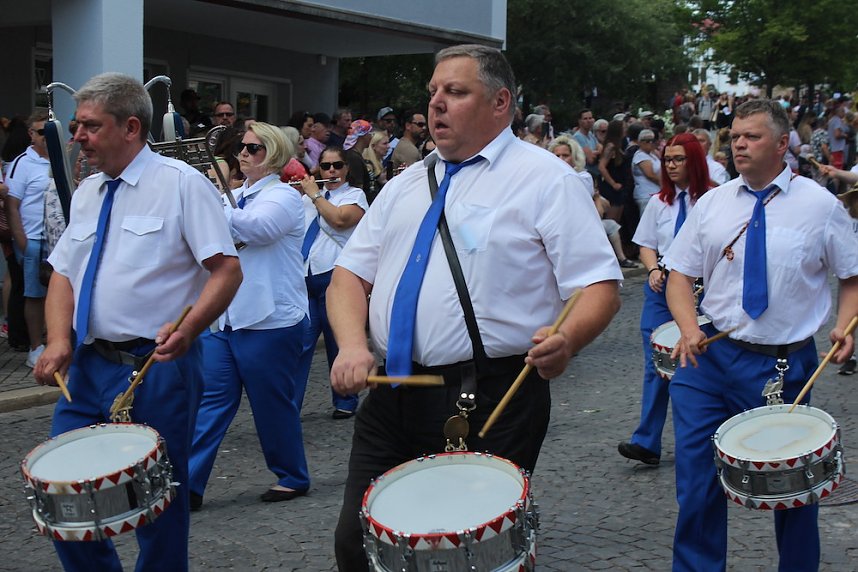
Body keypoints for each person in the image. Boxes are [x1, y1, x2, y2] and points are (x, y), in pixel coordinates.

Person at [328, 43, 622, 572]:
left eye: (455, 92)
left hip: (490, 394)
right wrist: (351, 345)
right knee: (358, 542)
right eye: (433, 92)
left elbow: (598, 286)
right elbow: (349, 275)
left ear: (500, 102)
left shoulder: (545, 179)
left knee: (469, 554)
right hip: (392, 392)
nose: (436, 104)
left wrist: (567, 339)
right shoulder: (405, 184)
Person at [32, 72, 242, 572]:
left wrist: (189, 328)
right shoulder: (88, 191)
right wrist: (58, 340)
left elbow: (227, 270)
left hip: (157, 367)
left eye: (90, 126)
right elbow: (63, 274)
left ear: (130, 127)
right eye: (76, 126)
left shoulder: (181, 184)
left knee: (158, 504)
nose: (77, 137)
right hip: (88, 366)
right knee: (65, 493)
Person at [662, 99, 858, 572]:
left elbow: (851, 276)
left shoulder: (820, 206)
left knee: (795, 488)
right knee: (696, 485)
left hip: (782, 365)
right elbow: (679, 276)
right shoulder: (712, 203)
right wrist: (688, 327)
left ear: (783, 143)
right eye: (734, 136)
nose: (739, 145)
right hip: (707, 362)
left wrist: (844, 325)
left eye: (751, 136)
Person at [188, 122, 310, 510]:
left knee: (272, 405)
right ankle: (188, 483)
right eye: (242, 146)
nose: (243, 152)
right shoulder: (235, 195)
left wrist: (210, 202)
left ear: (273, 155)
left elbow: (258, 229)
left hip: (271, 318)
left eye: (254, 148)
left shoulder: (284, 197)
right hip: (227, 317)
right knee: (210, 403)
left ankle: (292, 476)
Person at [617, 133, 711, 465]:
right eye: (667, 159)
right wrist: (653, 268)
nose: (670, 165)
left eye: (678, 159)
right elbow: (645, 243)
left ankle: (705, 440)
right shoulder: (659, 202)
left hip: (703, 291)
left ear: (694, 162)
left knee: (701, 363)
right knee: (657, 362)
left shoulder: (714, 200)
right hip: (662, 289)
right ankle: (646, 441)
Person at [295, 146, 368, 419]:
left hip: (334, 276)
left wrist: (314, 195)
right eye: (326, 167)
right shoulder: (307, 198)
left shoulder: (354, 196)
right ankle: (290, 404)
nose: (332, 171)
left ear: (346, 168)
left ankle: (345, 400)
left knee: (338, 342)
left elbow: (339, 220)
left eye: (337, 165)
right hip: (306, 275)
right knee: (301, 344)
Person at [6, 109, 51, 367]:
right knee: (34, 293)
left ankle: (53, 340)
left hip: (57, 237)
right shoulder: (22, 163)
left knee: (58, 292)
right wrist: (22, 241)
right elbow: (12, 205)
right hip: (33, 237)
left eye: (50, 131)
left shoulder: (60, 158)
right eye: (42, 132)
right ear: (31, 134)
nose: (46, 136)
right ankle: (35, 347)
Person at [632, 128, 661, 214]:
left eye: (652, 140)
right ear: (640, 142)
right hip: (646, 194)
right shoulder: (640, 156)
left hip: (655, 192)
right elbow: (650, 175)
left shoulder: (652, 154)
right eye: (647, 141)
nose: (650, 143)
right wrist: (663, 183)